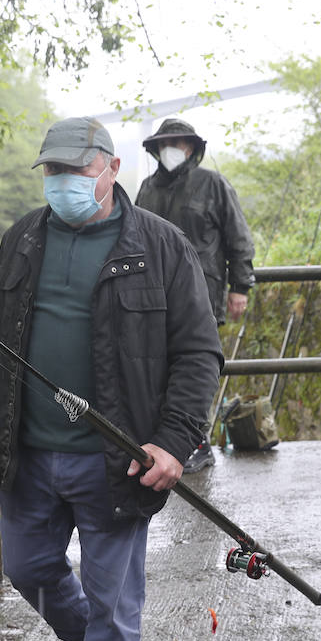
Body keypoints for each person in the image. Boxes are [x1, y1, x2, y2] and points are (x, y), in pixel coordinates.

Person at [0, 116, 223, 641]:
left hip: (117, 460)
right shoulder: (22, 239)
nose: (63, 182)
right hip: (29, 452)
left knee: (112, 598)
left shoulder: (161, 246)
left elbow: (197, 353)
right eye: (53, 171)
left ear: (108, 169)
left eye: (76, 170)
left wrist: (174, 439)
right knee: (27, 568)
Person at [136, 117, 255, 472]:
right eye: (166, 144)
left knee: (197, 367)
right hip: (153, 297)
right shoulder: (146, 189)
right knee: (158, 371)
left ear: (192, 148)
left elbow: (239, 237)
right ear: (156, 149)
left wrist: (240, 288)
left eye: (180, 143)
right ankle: (167, 443)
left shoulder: (213, 184)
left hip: (202, 295)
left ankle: (197, 444)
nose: (172, 150)